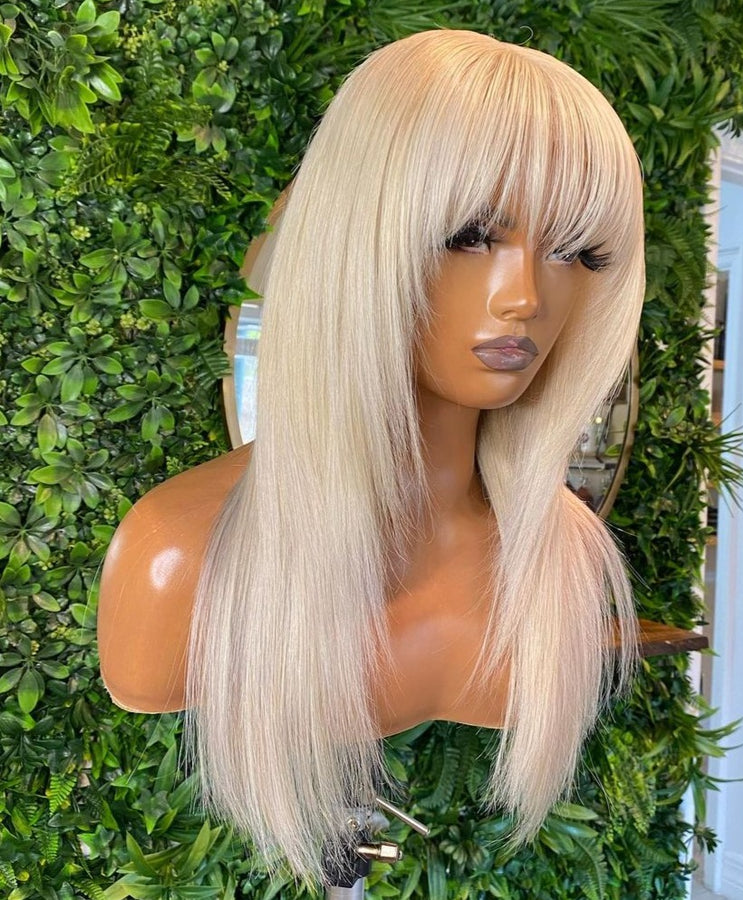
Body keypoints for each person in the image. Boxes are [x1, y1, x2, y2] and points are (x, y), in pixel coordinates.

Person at [97, 28, 645, 883]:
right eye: (471, 234)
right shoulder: (178, 558)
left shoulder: (563, 560)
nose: (526, 297)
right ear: (361, 239)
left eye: (575, 251)